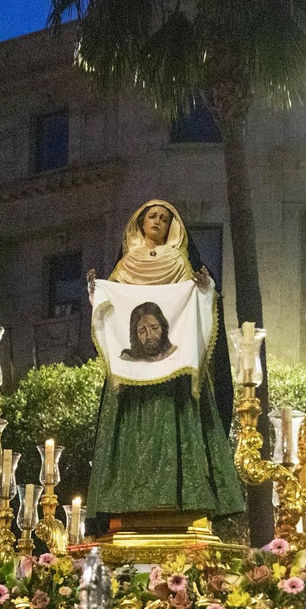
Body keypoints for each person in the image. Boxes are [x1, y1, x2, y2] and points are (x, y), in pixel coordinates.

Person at [85, 200, 244, 521]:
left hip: (175, 375)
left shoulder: (180, 262)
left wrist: (205, 287)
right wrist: (95, 291)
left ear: (173, 226)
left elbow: (204, 300)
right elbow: (112, 308)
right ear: (140, 223)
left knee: (179, 431)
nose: (157, 221)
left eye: (164, 218)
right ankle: (128, 503)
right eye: (151, 216)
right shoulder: (125, 265)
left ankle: (183, 501)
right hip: (132, 378)